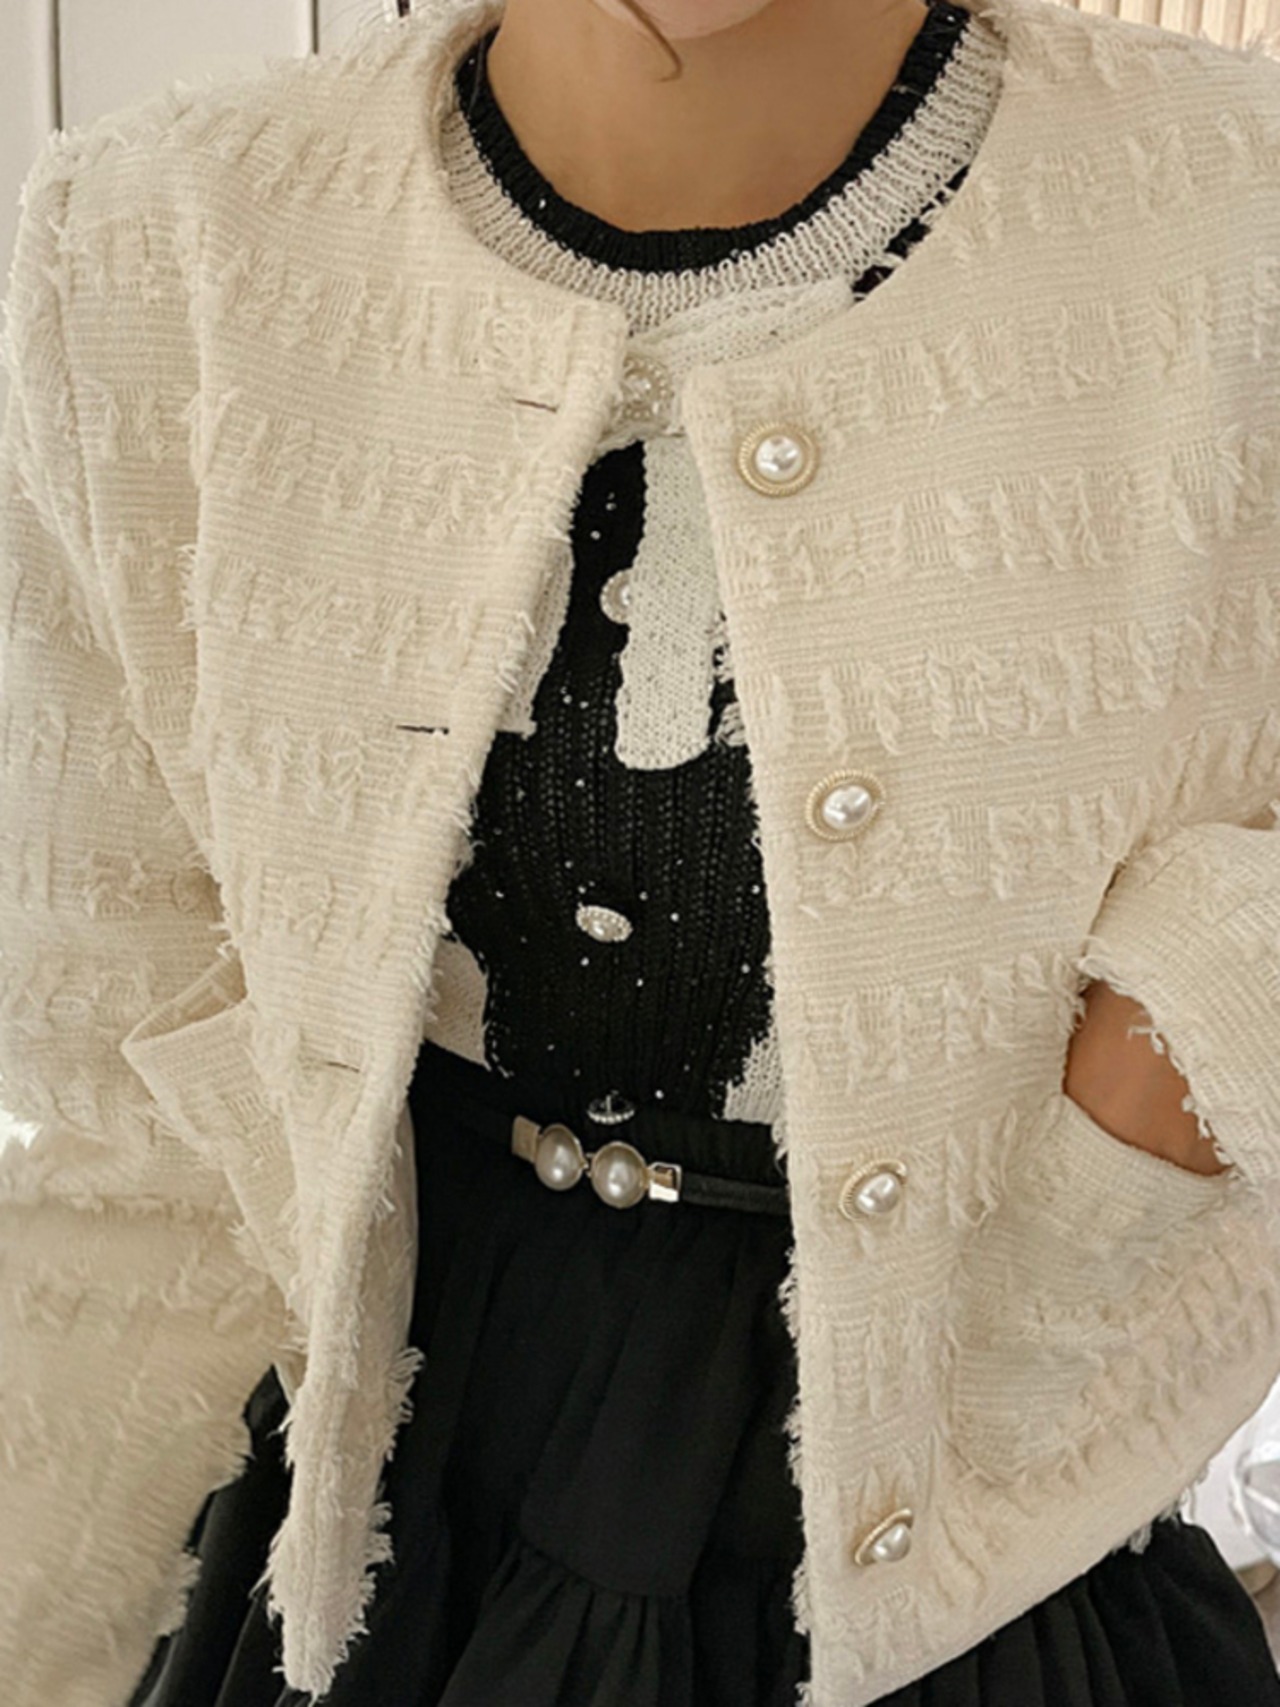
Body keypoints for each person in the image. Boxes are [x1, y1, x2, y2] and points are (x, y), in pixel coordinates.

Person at [2, 0, 1280, 1702]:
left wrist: (1186, 1034)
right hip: (394, 1509)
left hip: (992, 1526)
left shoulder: (1233, 214)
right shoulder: (156, 240)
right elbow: (115, 1096)